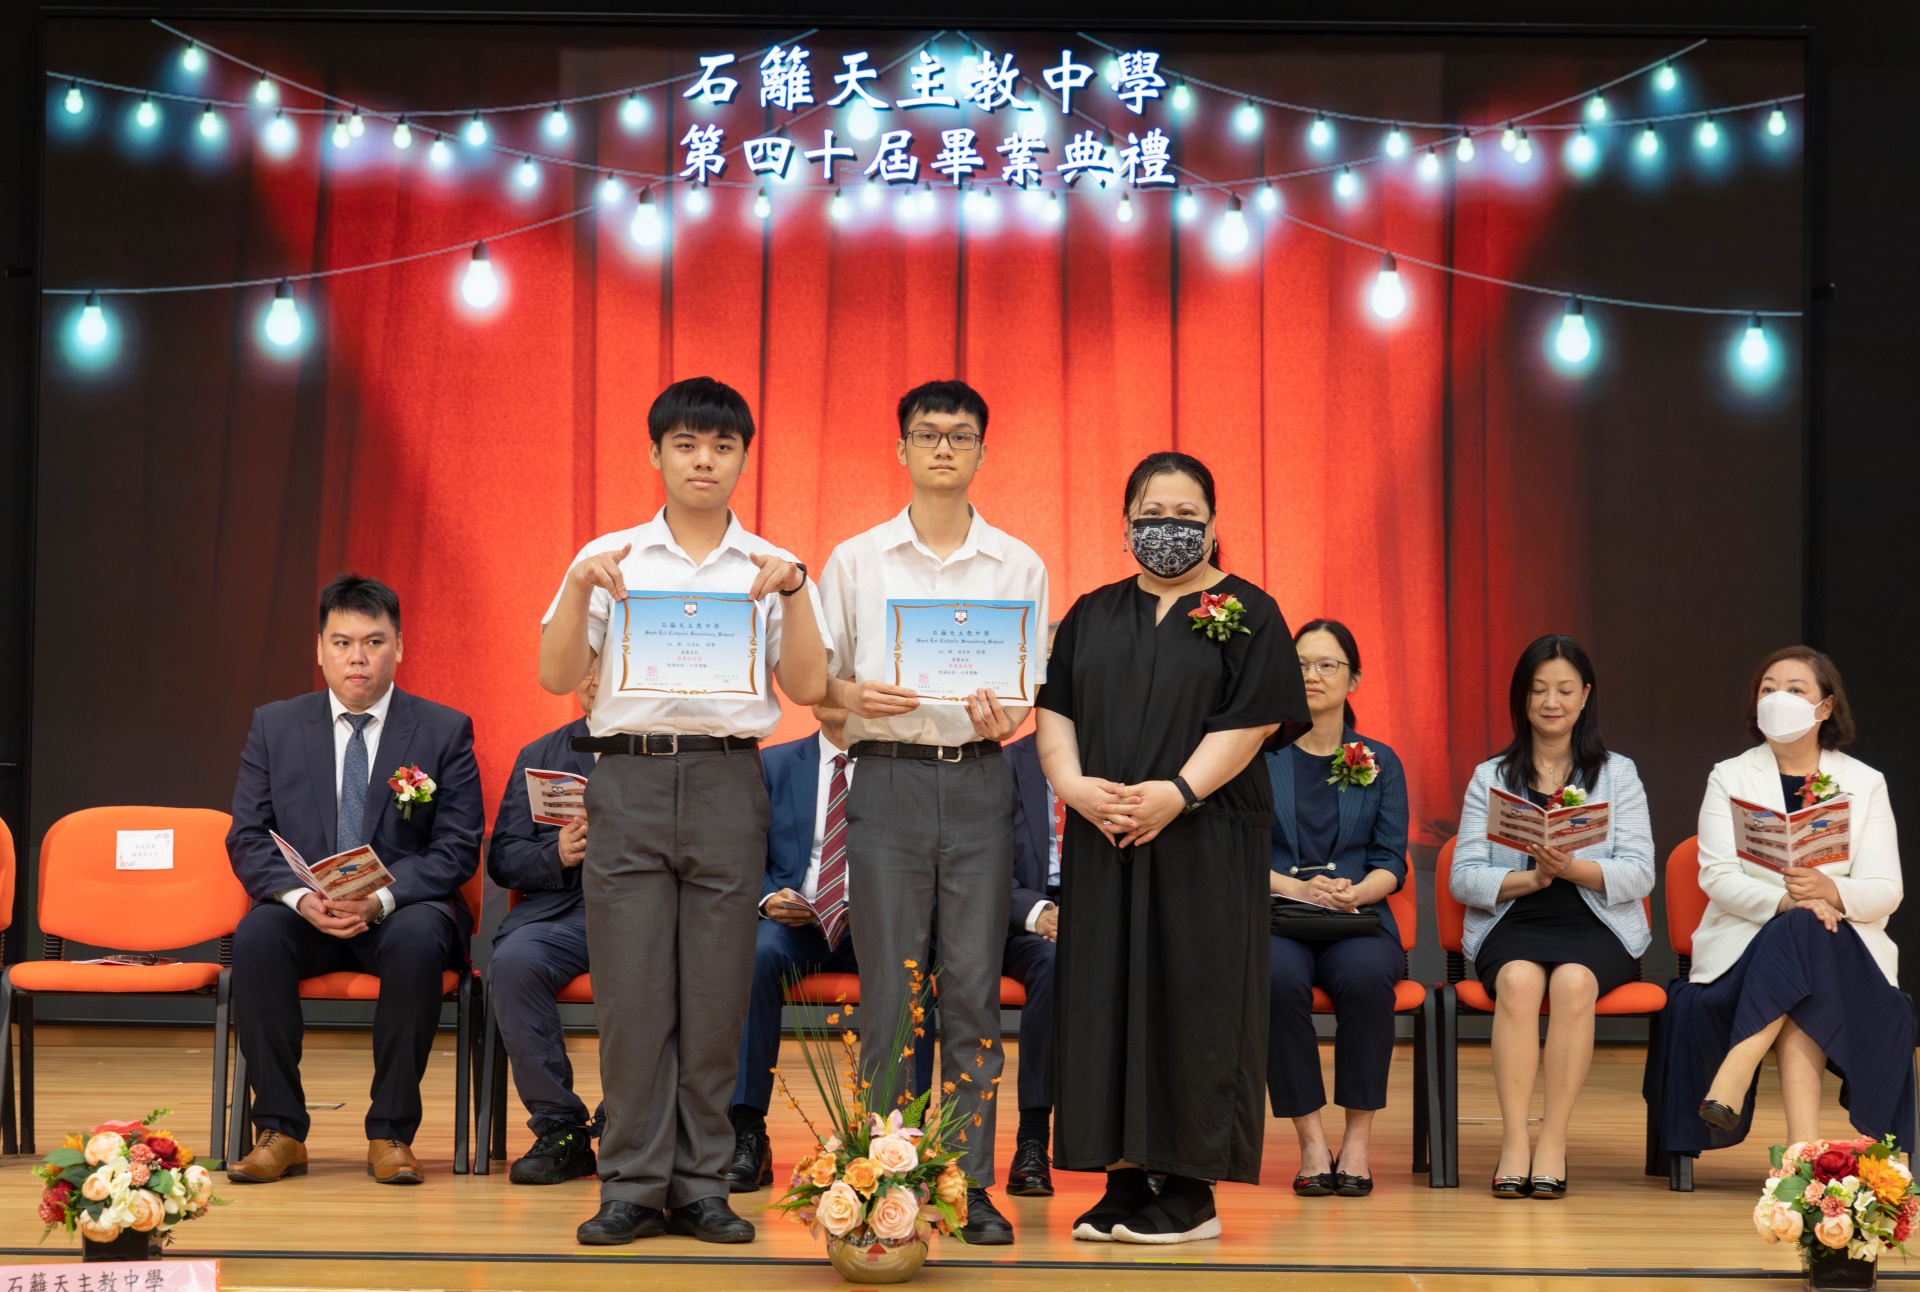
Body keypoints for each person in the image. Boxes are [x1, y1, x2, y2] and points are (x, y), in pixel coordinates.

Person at [539, 377, 830, 1246]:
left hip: (726, 782)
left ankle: (701, 1185)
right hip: (627, 780)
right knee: (632, 1000)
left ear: (743, 457)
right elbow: (556, 675)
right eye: (686, 445)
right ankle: (631, 1185)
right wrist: (576, 585)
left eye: (722, 446)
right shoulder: (609, 557)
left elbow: (809, 686)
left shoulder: (772, 566)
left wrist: (797, 592)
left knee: (714, 998)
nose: (705, 460)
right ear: (655, 454)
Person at [1037, 451, 1308, 1245]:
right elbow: (1057, 711)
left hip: (1206, 837)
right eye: (1152, 515)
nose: (1169, 529)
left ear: (1215, 526)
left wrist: (1179, 793)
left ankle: (1191, 1190)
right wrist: (1074, 788)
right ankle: (1123, 1179)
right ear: (1124, 525)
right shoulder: (1091, 612)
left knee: (1198, 999)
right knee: (1105, 995)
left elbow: (1253, 723)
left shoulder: (1250, 611)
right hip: (1106, 833)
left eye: (1187, 516)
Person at [818, 379, 1049, 1246]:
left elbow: (1023, 696)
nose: (943, 447)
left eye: (960, 435)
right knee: (889, 998)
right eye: (927, 433)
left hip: (982, 776)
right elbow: (818, 693)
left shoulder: (1019, 564)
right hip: (886, 781)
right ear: (902, 449)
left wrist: (1006, 718)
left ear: (984, 450)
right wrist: (851, 699)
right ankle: (884, 1184)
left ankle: (968, 1182)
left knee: (974, 997)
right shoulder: (856, 560)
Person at [225, 574, 484, 1186]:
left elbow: (456, 848)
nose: (357, 658)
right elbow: (247, 836)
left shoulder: (443, 729)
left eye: (373, 642)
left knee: (419, 939)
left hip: (401, 909)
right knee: (256, 938)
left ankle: (390, 1132)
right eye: (342, 643)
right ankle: (280, 1130)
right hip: (306, 910)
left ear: (400, 646)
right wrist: (299, 898)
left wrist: (381, 900)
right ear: (319, 649)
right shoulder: (275, 725)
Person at [1660, 646, 1911, 1155]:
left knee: (1810, 932)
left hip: (1847, 954)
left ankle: (1737, 1070)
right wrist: (1788, 903)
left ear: (1825, 707)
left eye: (1796, 690)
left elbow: (1887, 889)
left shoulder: (1864, 783)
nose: (1779, 699)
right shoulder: (1730, 776)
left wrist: (1831, 891)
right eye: (1768, 689)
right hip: (1745, 951)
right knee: (1802, 929)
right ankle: (1801, 1148)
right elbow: (1717, 877)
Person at [1450, 635, 1654, 1200]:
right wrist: (1533, 879)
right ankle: (1515, 1141)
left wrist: (1571, 868)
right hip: (1514, 920)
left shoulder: (1618, 774)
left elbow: (1640, 873)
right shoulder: (1491, 776)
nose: (1551, 702)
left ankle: (1553, 1140)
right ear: (1522, 697)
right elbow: (1463, 877)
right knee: (1518, 980)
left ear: (1585, 696)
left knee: (1573, 983)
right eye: (1539, 690)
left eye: (1564, 690)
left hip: (1596, 925)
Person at [723, 703, 934, 1192]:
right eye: (829, 679)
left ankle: (903, 1138)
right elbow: (739, 848)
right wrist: (767, 898)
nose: (838, 692)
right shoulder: (773, 764)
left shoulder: (903, 767)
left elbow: (927, 856)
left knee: (911, 970)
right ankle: (746, 1130)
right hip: (796, 921)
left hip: (876, 922)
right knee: (755, 957)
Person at [1266, 619, 1408, 1200]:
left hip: (1356, 916)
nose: (1312, 675)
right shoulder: (1259, 757)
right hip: (1279, 914)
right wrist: (1298, 889)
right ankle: (1309, 1142)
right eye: (1300, 664)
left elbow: (1391, 859)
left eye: (1327, 665)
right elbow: (1236, 854)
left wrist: (1357, 892)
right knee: (1273, 979)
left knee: (1369, 978)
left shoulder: (1380, 761)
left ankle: (1356, 1143)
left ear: (1354, 680)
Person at [486, 670, 602, 1185]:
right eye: (586, 664)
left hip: (648, 909)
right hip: (564, 913)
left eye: (606, 660)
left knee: (656, 963)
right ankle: (560, 1129)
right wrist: (556, 853)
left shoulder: (669, 749)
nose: (594, 676)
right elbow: (505, 858)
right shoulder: (542, 754)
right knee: (514, 964)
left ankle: (629, 1124)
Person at [1002, 719, 1061, 1198]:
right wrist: (1037, 912)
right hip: (1021, 920)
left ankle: (1151, 1148)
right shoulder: (1002, 763)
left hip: (1105, 912)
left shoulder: (1121, 760)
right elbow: (975, 861)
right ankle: (1033, 1140)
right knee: (1053, 964)